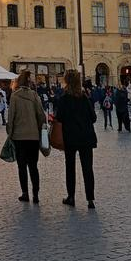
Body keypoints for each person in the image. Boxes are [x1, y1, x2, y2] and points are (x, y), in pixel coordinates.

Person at [55, 69, 97, 209]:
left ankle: (71, 196)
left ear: (66, 81)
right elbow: (94, 118)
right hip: (86, 137)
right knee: (87, 168)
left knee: (70, 167)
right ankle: (90, 199)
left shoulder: (63, 99)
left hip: (70, 137)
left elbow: (59, 118)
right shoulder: (84, 98)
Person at [5, 71, 47, 204]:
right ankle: (36, 194)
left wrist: (10, 133)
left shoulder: (15, 97)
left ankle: (25, 193)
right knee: (33, 166)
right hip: (33, 136)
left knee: (21, 166)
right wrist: (42, 131)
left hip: (19, 136)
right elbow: (41, 115)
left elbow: (11, 117)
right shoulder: (34, 95)